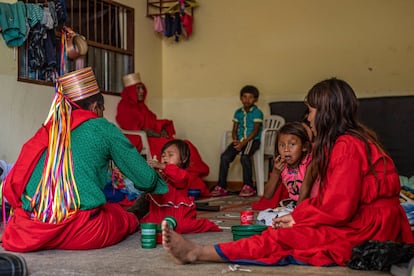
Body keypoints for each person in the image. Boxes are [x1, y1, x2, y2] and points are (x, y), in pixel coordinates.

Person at [161, 77, 414, 266]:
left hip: (369, 229)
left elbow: (338, 208)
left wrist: (298, 218)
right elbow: (332, 199)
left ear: (325, 113)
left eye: (312, 110)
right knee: (287, 229)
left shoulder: (346, 145)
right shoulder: (355, 139)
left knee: (284, 239)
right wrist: (300, 214)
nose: (309, 117)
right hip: (381, 223)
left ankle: (197, 252)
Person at [1, 67, 167, 252]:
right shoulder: (101, 126)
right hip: (81, 232)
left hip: (28, 230)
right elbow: (146, 179)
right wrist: (157, 177)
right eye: (102, 109)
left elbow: (14, 185)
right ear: (95, 107)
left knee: (109, 208)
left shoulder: (48, 130)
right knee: (119, 217)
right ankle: (134, 217)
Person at [116, 73, 211, 197]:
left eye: (142, 88)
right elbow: (131, 127)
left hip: (153, 138)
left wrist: (162, 129)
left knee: (185, 144)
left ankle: (189, 177)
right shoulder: (125, 106)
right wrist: (153, 133)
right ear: (130, 91)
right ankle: (186, 180)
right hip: (143, 140)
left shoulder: (143, 107)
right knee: (172, 148)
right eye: (137, 89)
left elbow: (153, 122)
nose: (141, 91)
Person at [140, 139, 221, 234]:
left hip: (177, 211)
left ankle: (205, 224)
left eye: (170, 155)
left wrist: (163, 166)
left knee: (182, 227)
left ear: (183, 159)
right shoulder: (162, 172)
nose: (165, 158)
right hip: (160, 210)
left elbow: (179, 179)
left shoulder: (183, 173)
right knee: (148, 225)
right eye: (163, 155)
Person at [211, 85, 264, 197]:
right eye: (244, 97)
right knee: (225, 157)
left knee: (245, 157)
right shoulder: (238, 112)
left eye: (250, 97)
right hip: (239, 141)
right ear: (241, 98)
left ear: (255, 99)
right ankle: (221, 186)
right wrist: (235, 141)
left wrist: (243, 143)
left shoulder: (257, 112)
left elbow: (255, 131)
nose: (247, 100)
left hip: (252, 141)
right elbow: (234, 129)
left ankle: (248, 186)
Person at [255, 122, 312, 225]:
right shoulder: (282, 166)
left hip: (309, 205)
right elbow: (267, 195)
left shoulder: (309, 163)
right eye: (282, 145)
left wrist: (295, 215)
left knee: (295, 219)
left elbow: (305, 190)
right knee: (262, 217)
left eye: (292, 144)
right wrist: (276, 173)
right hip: (293, 206)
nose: (286, 150)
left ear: (304, 147)